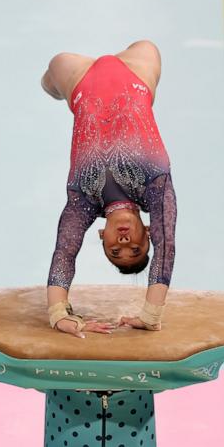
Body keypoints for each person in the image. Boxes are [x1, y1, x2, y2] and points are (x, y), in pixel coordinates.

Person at [40, 40, 177, 338]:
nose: (125, 241)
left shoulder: (83, 201)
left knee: (55, 68)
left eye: (116, 250)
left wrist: (58, 314)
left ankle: (51, 86)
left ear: (102, 235)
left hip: (79, 81)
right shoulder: (156, 185)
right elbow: (167, 248)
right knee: (147, 46)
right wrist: (151, 315)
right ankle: (52, 85)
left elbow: (64, 251)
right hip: (136, 72)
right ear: (149, 232)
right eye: (136, 248)